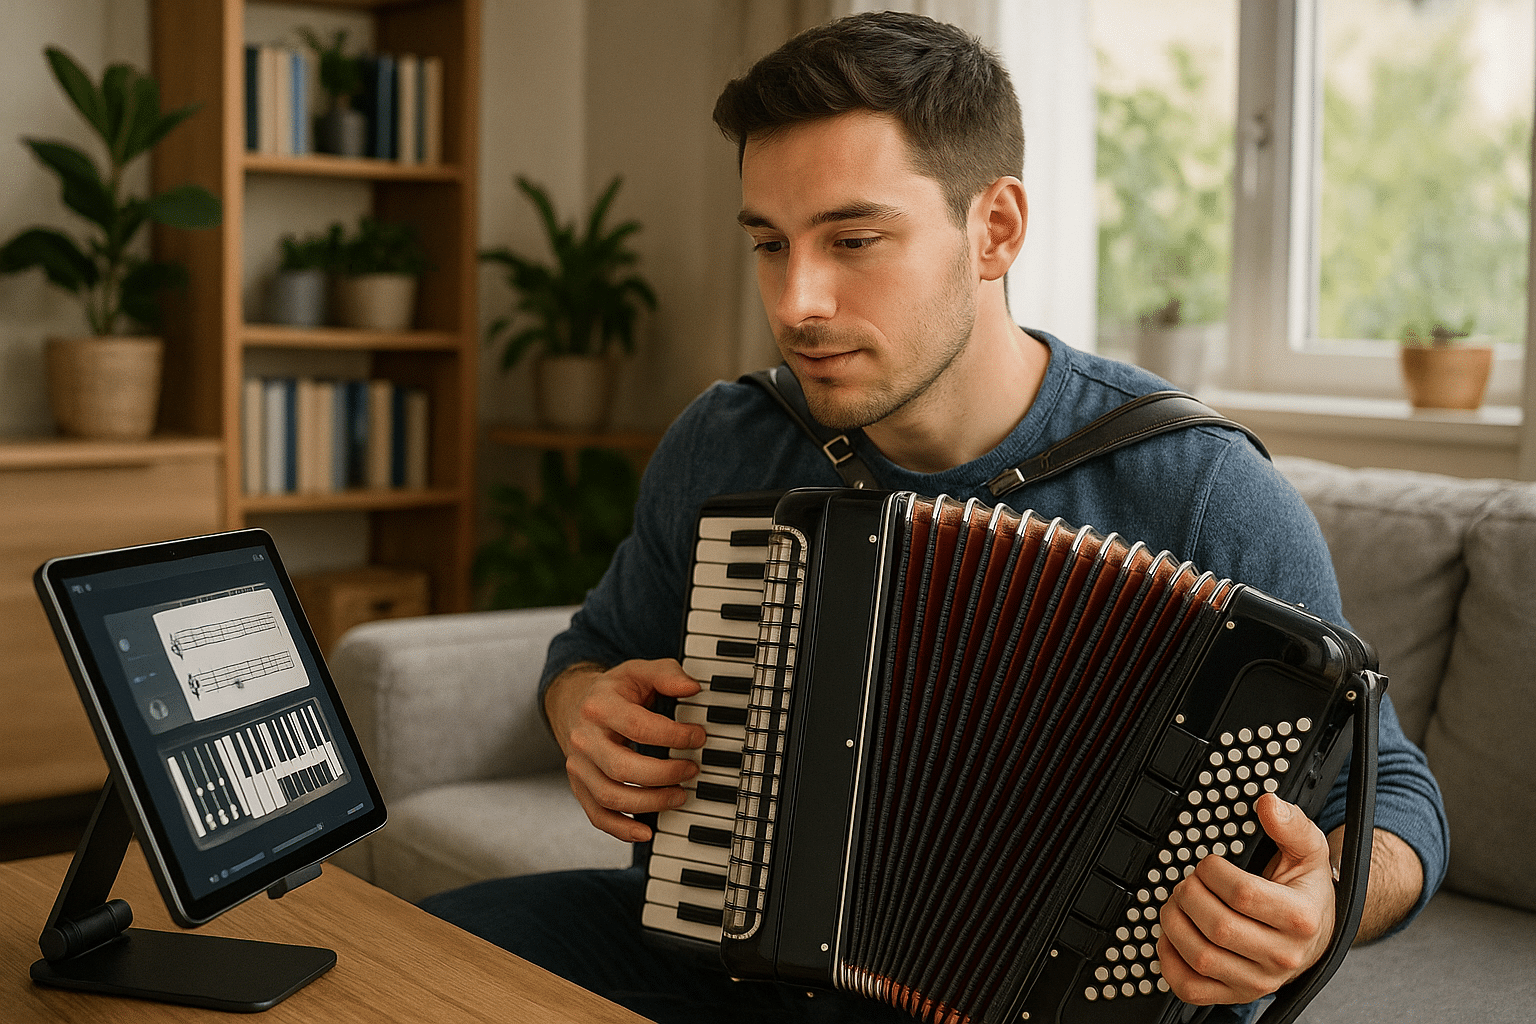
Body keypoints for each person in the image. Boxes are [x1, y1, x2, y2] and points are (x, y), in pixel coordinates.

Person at [421, 12, 1447, 1024]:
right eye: (770, 244)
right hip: (739, 962)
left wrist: (1321, 906)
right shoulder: (730, 438)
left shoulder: (1196, 486)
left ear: (994, 228)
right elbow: (593, 648)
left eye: (853, 239)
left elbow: (1395, 792)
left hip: (1055, 1008)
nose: (797, 301)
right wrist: (588, 712)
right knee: (406, 964)